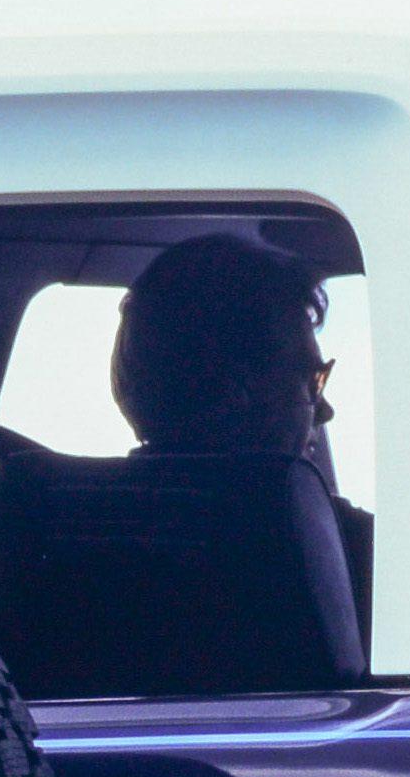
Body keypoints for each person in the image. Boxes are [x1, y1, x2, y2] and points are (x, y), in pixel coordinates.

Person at [110, 232, 372, 604]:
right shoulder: (331, 544)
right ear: (237, 393)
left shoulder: (55, 514)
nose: (325, 410)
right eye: (312, 380)